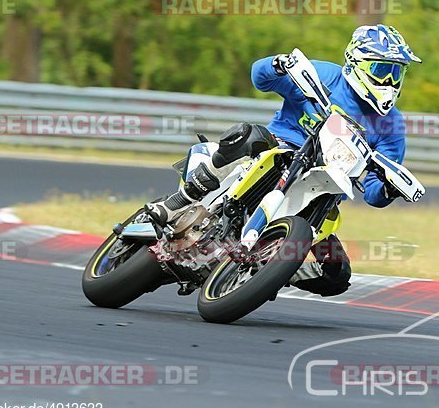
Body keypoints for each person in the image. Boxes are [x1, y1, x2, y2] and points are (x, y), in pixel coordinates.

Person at [146, 24, 422, 296]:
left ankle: (269, 271)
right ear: (357, 62)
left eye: (397, 72)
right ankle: (179, 202)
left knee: (336, 273)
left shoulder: (392, 125)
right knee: (248, 135)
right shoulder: (325, 75)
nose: (389, 81)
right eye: (382, 70)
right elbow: (262, 78)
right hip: (279, 150)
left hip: (322, 193)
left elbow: (374, 191)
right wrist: (277, 64)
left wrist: (387, 188)